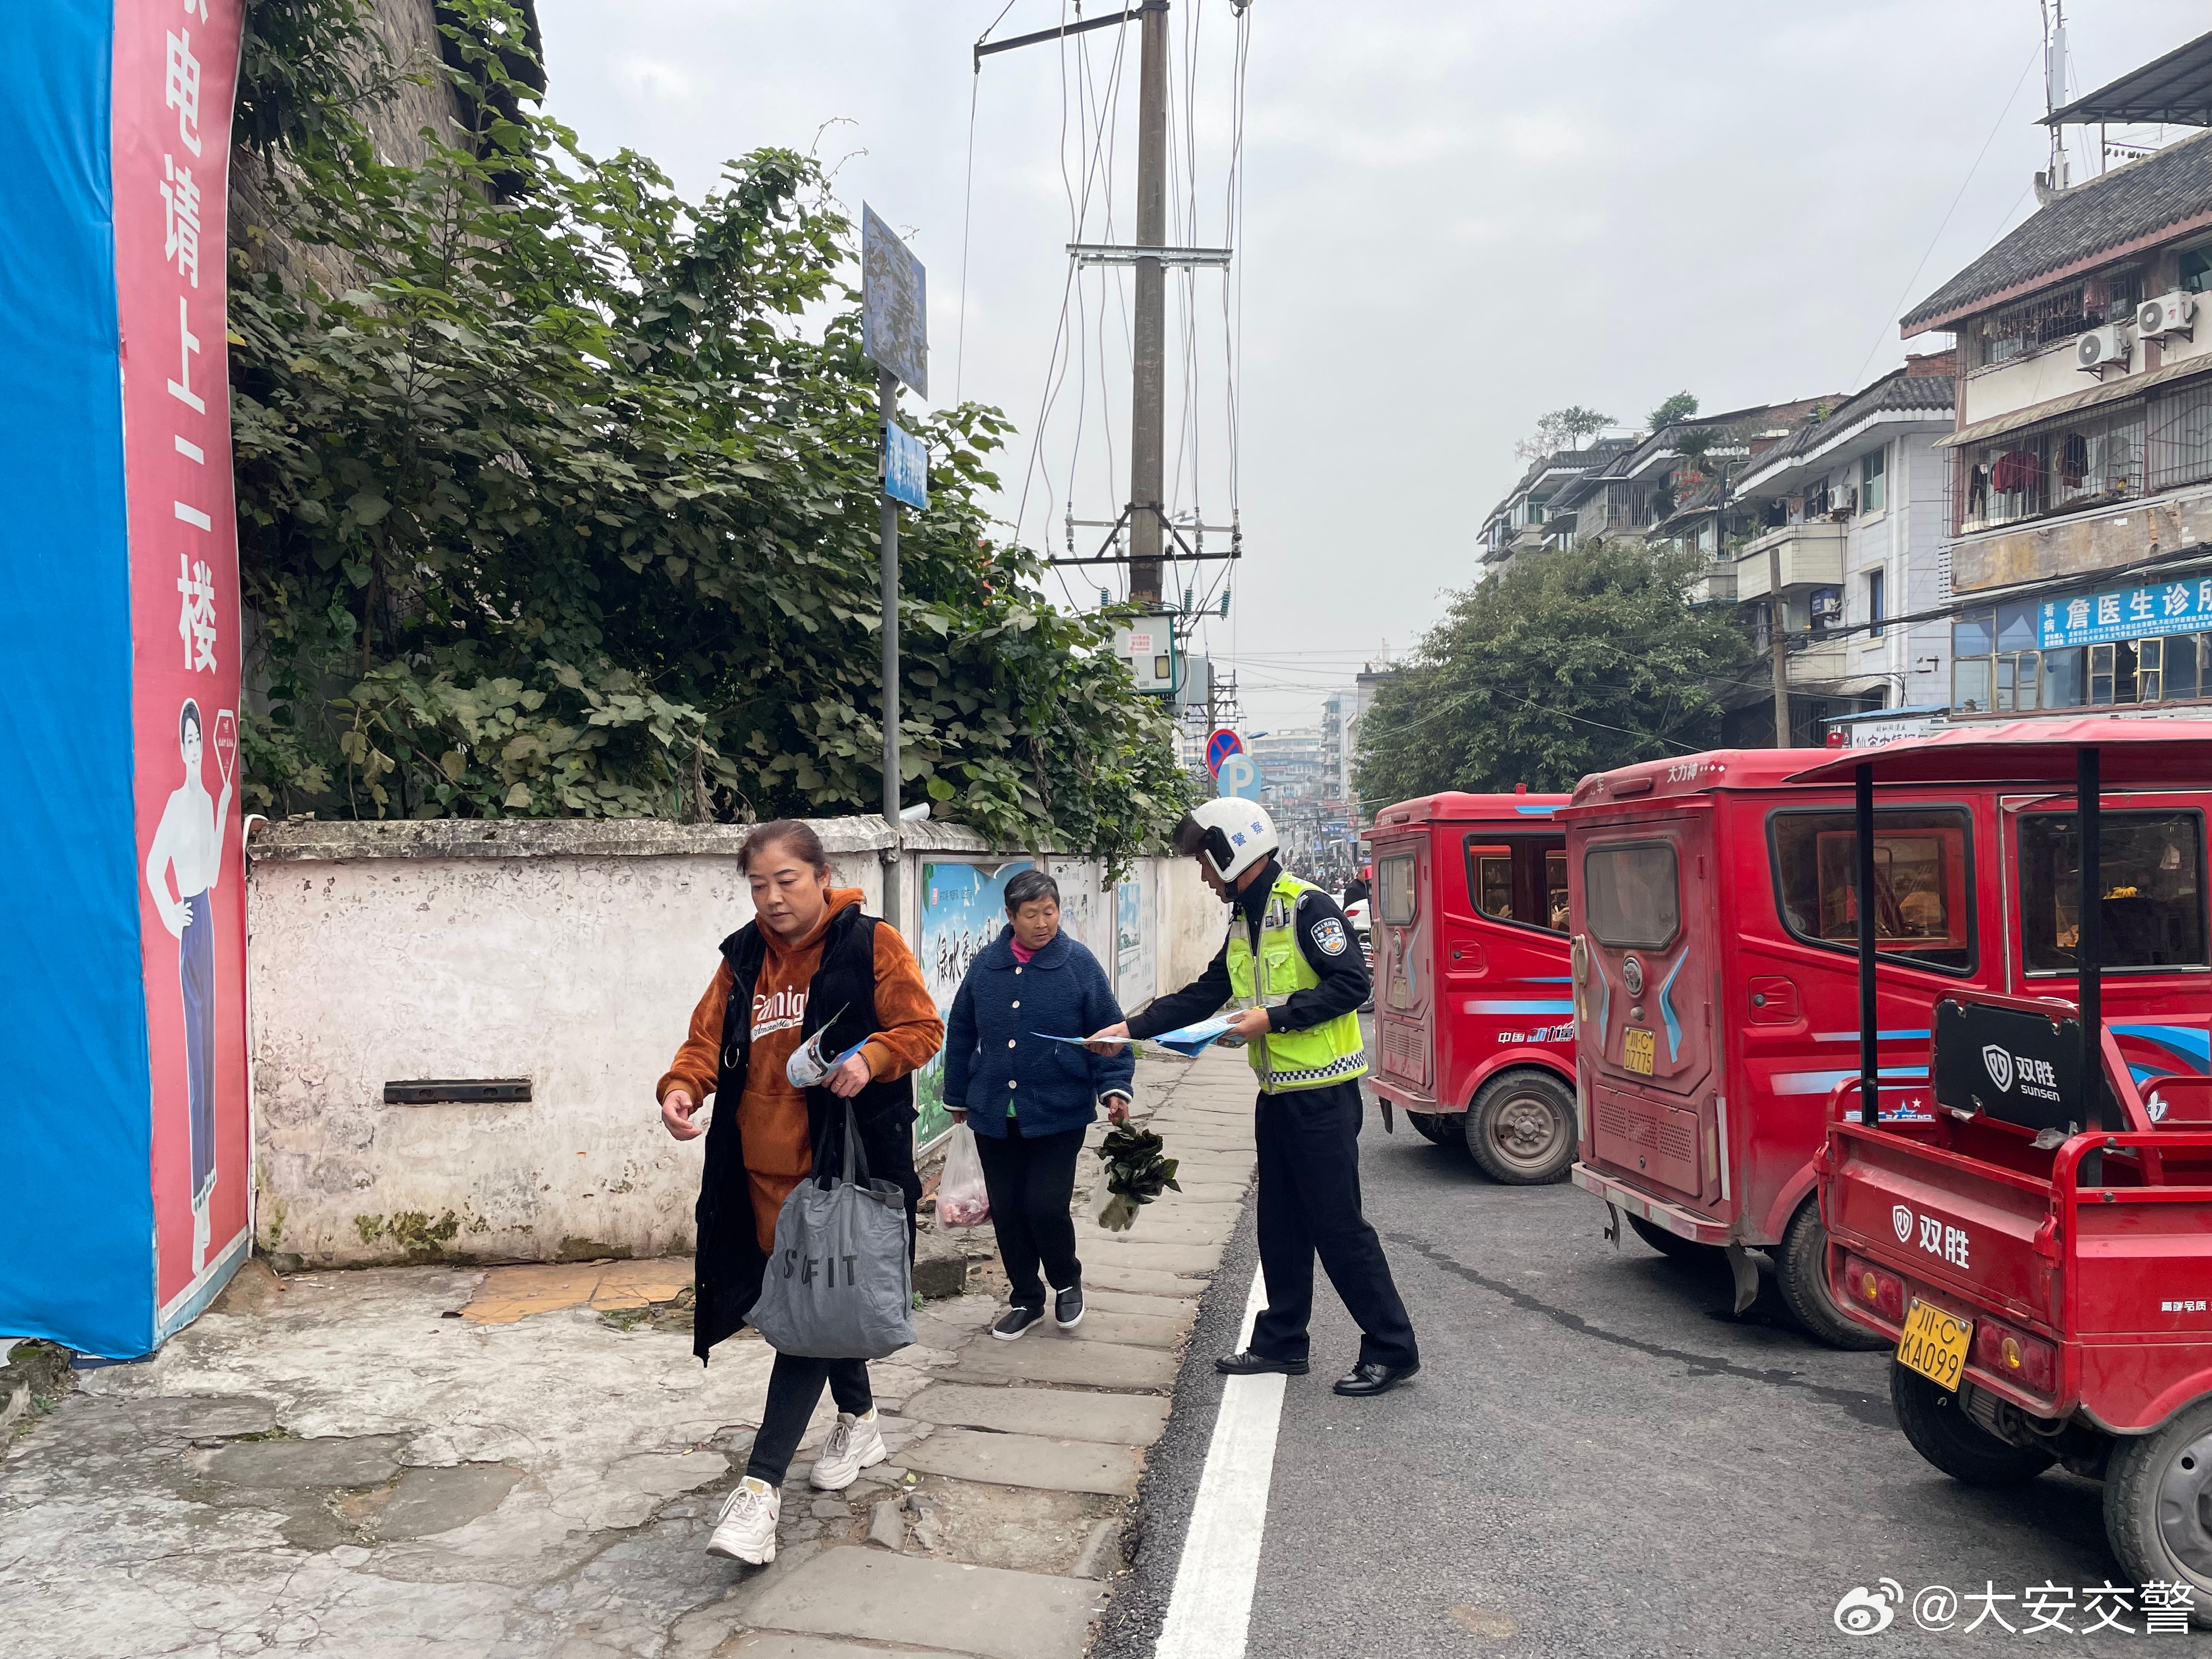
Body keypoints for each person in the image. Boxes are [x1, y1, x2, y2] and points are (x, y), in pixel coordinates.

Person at [657, 821, 944, 1566]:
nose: (773, 897)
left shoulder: (869, 944)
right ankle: (860, 1416)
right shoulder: (742, 958)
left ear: (823, 875)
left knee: (806, 1325)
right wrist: (683, 1089)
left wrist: (873, 1057)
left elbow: (922, 1027)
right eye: (759, 884)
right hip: (756, 1180)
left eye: (786, 880)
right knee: (819, 1310)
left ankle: (759, 1493)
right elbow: (705, 1042)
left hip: (842, 1179)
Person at [1088, 800, 1419, 1397]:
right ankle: (1281, 1343)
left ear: (1231, 852)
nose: (1203, 877)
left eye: (1205, 862)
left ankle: (1392, 1348)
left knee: (1338, 1228)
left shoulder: (1306, 906)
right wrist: (1129, 1029)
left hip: (1323, 1095)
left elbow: (1353, 984)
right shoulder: (1245, 918)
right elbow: (1208, 992)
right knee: (1281, 1226)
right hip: (1278, 1096)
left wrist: (1274, 1019)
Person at [944, 868, 1135, 1341]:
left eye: (1049, 911)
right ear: (1010, 917)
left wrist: (1113, 1087)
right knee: (1008, 1212)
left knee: (1044, 1206)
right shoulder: (985, 966)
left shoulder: (1079, 964)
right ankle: (1026, 1298)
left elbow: (1109, 1031)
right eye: (1031, 914)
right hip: (993, 1112)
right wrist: (957, 1093)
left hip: (1058, 1110)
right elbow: (963, 1029)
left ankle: (1067, 1282)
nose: (1043, 922)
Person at [145, 698, 233, 1275]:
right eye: (190, 740)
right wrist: (169, 913)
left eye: (200, 739)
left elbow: (216, 871)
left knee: (211, 1061)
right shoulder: (177, 802)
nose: (196, 748)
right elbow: (154, 867)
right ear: (179, 747)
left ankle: (207, 1210)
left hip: (208, 920)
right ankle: (199, 1222)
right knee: (197, 1073)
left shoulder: (203, 800)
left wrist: (226, 802)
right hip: (191, 925)